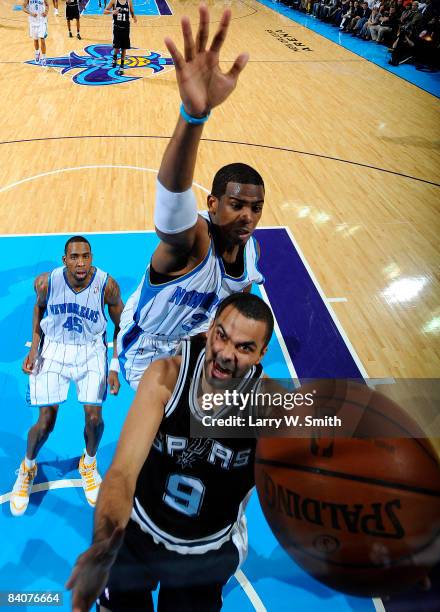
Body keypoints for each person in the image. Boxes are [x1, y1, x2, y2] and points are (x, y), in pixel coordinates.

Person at [67, 292, 274, 612]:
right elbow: (122, 473)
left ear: (261, 353)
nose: (226, 354)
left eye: (244, 347)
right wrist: (103, 547)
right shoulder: (166, 377)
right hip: (142, 528)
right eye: (221, 336)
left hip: (208, 547)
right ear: (210, 329)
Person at [117, 3, 265, 391]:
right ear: (213, 204)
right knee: (168, 427)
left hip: (195, 342)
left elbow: (238, 297)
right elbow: (172, 196)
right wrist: (193, 116)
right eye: (236, 205)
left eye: (255, 208)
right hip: (147, 347)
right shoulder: (193, 241)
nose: (247, 216)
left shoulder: (251, 254)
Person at [10, 236, 124, 516]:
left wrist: (114, 365)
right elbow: (38, 308)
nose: (81, 263)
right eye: (74, 257)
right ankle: (27, 467)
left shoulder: (107, 286)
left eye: (86, 256)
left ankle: (89, 462)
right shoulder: (47, 283)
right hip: (55, 349)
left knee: (95, 419)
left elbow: (122, 326)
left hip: (90, 351)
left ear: (92, 257)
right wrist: (35, 348)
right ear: (65, 260)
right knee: (46, 422)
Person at [104, 0, 137, 76]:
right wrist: (112, 12)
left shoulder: (129, 2)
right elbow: (104, 11)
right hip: (117, 28)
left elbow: (132, 12)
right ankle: (114, 58)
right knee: (117, 47)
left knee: (124, 48)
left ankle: (122, 66)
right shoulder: (114, 1)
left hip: (126, 28)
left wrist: (134, 17)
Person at [23, 0, 49, 66]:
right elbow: (23, 8)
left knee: (42, 39)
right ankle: (37, 53)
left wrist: (46, 12)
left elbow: (47, 5)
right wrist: (31, 13)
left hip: (42, 21)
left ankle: (44, 58)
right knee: (35, 39)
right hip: (33, 21)